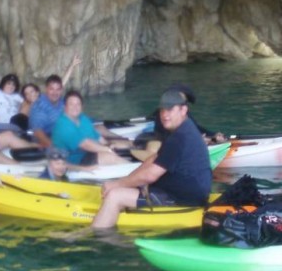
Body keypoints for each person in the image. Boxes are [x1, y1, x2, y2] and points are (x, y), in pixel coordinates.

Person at [91, 87, 212, 228]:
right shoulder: (183, 128)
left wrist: (116, 185)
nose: (164, 115)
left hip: (182, 198)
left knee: (114, 196)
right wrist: (127, 180)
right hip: (188, 191)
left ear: (183, 110)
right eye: (162, 110)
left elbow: (150, 175)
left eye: (170, 110)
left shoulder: (179, 138)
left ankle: (97, 236)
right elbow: (154, 159)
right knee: (130, 183)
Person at [52, 90, 131, 166]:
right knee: (110, 158)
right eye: (71, 104)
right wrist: (107, 150)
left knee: (124, 145)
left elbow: (96, 136)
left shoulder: (82, 118)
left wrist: (108, 144)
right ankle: (133, 171)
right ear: (65, 106)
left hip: (86, 152)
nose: (75, 107)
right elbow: (85, 144)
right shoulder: (63, 125)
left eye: (78, 104)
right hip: (73, 161)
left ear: (82, 106)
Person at [28, 54, 79, 147]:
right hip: (46, 138)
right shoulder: (39, 105)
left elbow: (62, 83)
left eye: (58, 89)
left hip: (61, 133)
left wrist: (72, 66)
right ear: (46, 89)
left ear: (61, 90)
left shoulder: (61, 101)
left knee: (97, 128)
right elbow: (38, 131)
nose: (55, 92)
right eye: (51, 89)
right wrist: (52, 146)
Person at [147, 83, 225, 144]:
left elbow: (196, 127)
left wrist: (213, 134)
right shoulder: (163, 116)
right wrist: (196, 140)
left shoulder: (184, 113)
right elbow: (165, 136)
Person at [0, 55, 23, 126]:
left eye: (13, 85)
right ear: (3, 84)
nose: (11, 86)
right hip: (3, 125)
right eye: (8, 84)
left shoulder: (17, 96)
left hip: (16, 125)